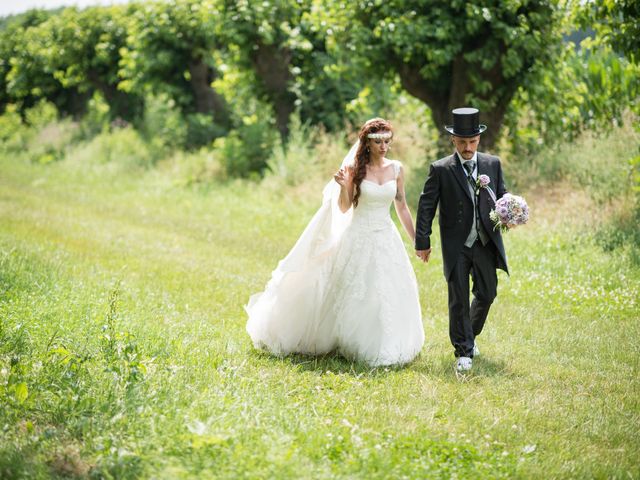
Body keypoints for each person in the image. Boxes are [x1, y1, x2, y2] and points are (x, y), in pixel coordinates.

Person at [246, 118, 424, 367]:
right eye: (378, 142)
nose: (384, 146)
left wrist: (417, 239)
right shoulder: (354, 169)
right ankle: (352, 339)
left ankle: (388, 340)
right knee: (357, 289)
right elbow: (344, 206)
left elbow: (402, 206)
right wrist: (344, 186)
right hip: (359, 234)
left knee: (387, 287)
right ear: (368, 143)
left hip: (386, 236)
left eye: (387, 141)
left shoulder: (396, 169)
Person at [415, 108, 508, 372]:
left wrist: (511, 213)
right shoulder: (441, 169)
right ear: (453, 141)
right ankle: (463, 350)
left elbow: (502, 196)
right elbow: (426, 206)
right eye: (462, 142)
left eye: (472, 142)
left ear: (479, 140)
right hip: (457, 244)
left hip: (485, 241)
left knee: (487, 293)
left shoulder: (493, 164)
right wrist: (423, 240)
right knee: (458, 297)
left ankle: (470, 334)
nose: (468, 147)